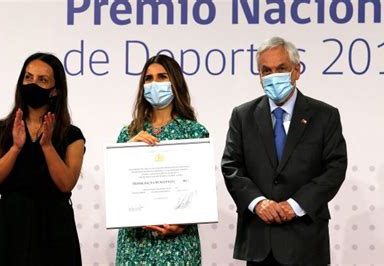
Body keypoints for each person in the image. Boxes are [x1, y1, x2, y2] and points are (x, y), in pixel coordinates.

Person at [221, 36, 347, 265]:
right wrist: (258, 203)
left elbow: (335, 168)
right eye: (266, 70)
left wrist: (295, 205)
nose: (273, 76)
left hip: (306, 240)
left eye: (281, 68)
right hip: (260, 241)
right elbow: (231, 167)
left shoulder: (325, 116)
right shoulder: (243, 116)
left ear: (297, 71)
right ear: (259, 75)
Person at [0, 53, 85, 265]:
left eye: (42, 80)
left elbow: (66, 183)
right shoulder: (1, 130)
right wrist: (16, 148)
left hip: (55, 229)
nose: (33, 84)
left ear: (55, 90)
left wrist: (47, 145)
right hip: (9, 227)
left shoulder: (71, 135)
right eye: (28, 77)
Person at [115, 54, 208, 265]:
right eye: (148, 79)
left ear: (175, 82)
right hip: (135, 245)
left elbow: (201, 192)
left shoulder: (194, 132)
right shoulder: (129, 133)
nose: (154, 83)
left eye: (162, 77)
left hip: (179, 244)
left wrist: (182, 223)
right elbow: (117, 192)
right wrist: (128, 152)